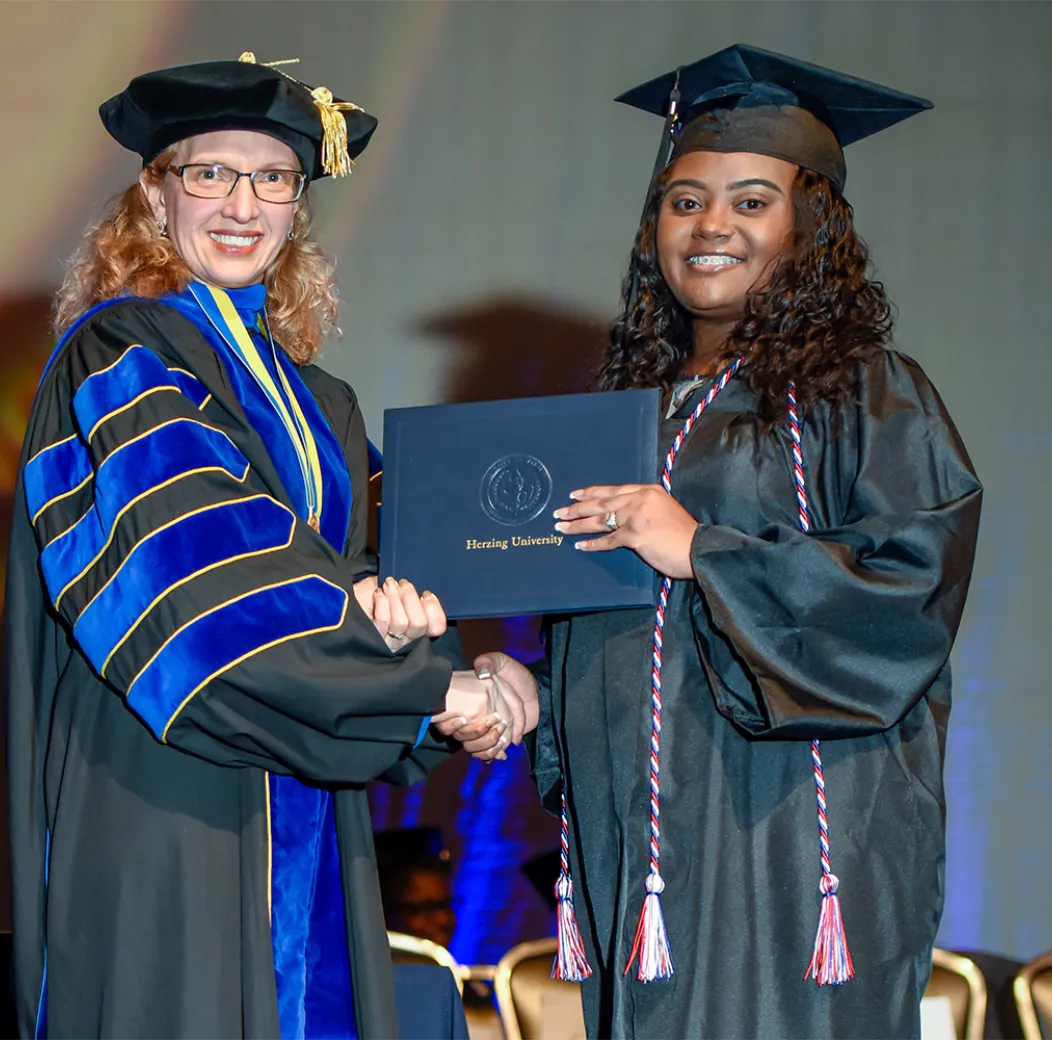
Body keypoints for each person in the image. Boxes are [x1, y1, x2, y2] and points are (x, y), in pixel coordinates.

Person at [5, 53, 521, 1038]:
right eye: (210, 173)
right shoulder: (121, 351)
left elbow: (385, 567)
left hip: (305, 797)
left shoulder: (319, 401)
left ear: (297, 205)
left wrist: (469, 661)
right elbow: (200, 568)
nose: (243, 204)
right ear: (155, 194)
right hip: (166, 788)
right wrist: (429, 687)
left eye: (274, 177)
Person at [472, 45, 983, 1038]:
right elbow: (623, 636)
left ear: (810, 226)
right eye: (684, 201)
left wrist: (702, 548)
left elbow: (909, 593)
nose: (711, 225)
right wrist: (535, 691)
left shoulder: (866, 392)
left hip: (786, 822)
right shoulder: (626, 413)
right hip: (642, 831)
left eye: (751, 201)